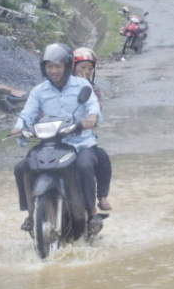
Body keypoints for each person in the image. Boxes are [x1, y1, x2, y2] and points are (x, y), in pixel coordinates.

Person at [9, 43, 103, 233]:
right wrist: (18, 127)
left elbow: (93, 106)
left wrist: (91, 118)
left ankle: (93, 213)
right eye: (49, 66)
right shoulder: (39, 91)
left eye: (57, 66)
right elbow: (27, 113)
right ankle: (30, 213)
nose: (53, 71)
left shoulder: (82, 85)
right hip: (51, 143)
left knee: (85, 166)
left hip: (80, 143)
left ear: (67, 66)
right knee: (21, 168)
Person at [72, 46, 113, 211]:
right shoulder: (59, 85)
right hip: (57, 135)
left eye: (90, 68)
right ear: (72, 67)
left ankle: (101, 198)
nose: (86, 71)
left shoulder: (92, 88)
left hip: (82, 136)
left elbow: (97, 111)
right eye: (83, 68)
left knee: (102, 158)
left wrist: (91, 118)